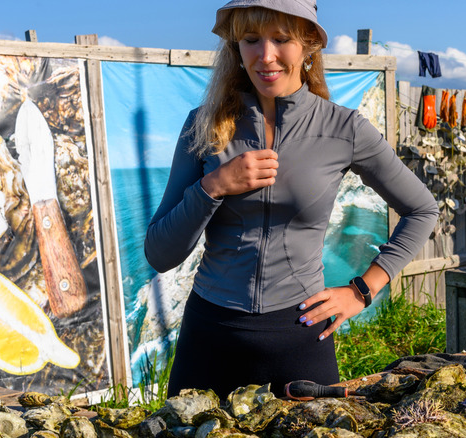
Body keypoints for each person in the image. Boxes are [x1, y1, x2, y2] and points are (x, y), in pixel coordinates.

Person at [145, 0, 439, 399]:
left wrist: (361, 291)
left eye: (281, 39)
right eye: (251, 40)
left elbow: (422, 209)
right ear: (236, 47)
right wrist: (213, 186)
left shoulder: (344, 128)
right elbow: (160, 254)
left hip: (299, 337)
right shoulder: (204, 125)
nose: (266, 56)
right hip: (209, 337)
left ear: (308, 45)